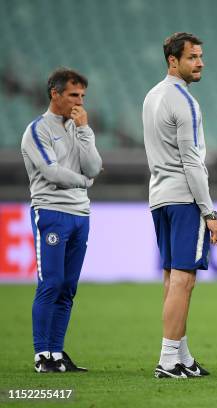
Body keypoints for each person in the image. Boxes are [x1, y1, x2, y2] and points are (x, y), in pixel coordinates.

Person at [143, 32, 217, 379]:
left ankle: (183, 356)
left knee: (171, 278)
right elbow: (192, 162)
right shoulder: (185, 101)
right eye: (193, 57)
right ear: (173, 61)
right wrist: (209, 212)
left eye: (201, 56)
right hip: (184, 198)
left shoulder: (152, 96)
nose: (200, 62)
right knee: (184, 280)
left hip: (159, 196)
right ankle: (167, 360)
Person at [21, 68, 102, 373]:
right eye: (73, 95)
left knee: (68, 287)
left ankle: (56, 352)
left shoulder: (78, 127)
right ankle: (42, 354)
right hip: (51, 212)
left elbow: (94, 165)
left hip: (80, 214)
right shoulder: (38, 130)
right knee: (51, 283)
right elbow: (51, 172)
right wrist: (85, 182)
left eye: (82, 95)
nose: (79, 101)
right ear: (55, 94)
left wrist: (85, 131)